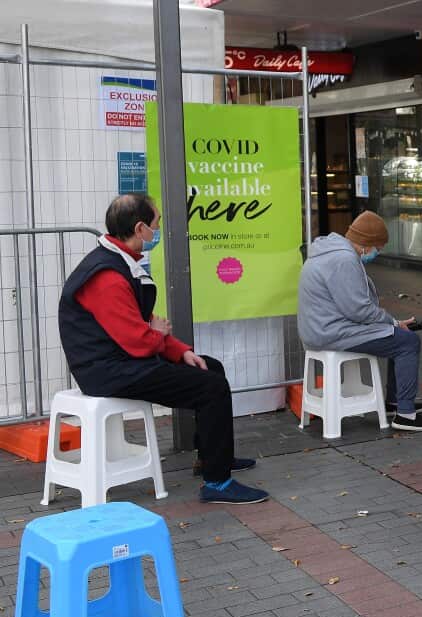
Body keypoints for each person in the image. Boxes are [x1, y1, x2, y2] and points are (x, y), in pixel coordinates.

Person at [58, 193, 267, 504]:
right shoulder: (107, 277)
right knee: (212, 388)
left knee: (210, 368)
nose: (157, 230)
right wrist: (155, 334)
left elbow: (143, 329)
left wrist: (180, 350)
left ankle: (211, 458)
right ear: (139, 228)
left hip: (122, 360)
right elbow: (139, 340)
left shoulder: (119, 262)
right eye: (155, 224)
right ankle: (217, 483)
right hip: (108, 371)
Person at [298, 211, 422, 430]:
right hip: (331, 332)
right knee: (408, 342)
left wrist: (391, 325)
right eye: (379, 247)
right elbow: (358, 310)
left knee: (400, 336)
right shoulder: (344, 259)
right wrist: (392, 323)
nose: (378, 252)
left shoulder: (329, 251)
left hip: (321, 328)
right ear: (366, 244)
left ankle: (395, 402)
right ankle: (405, 415)